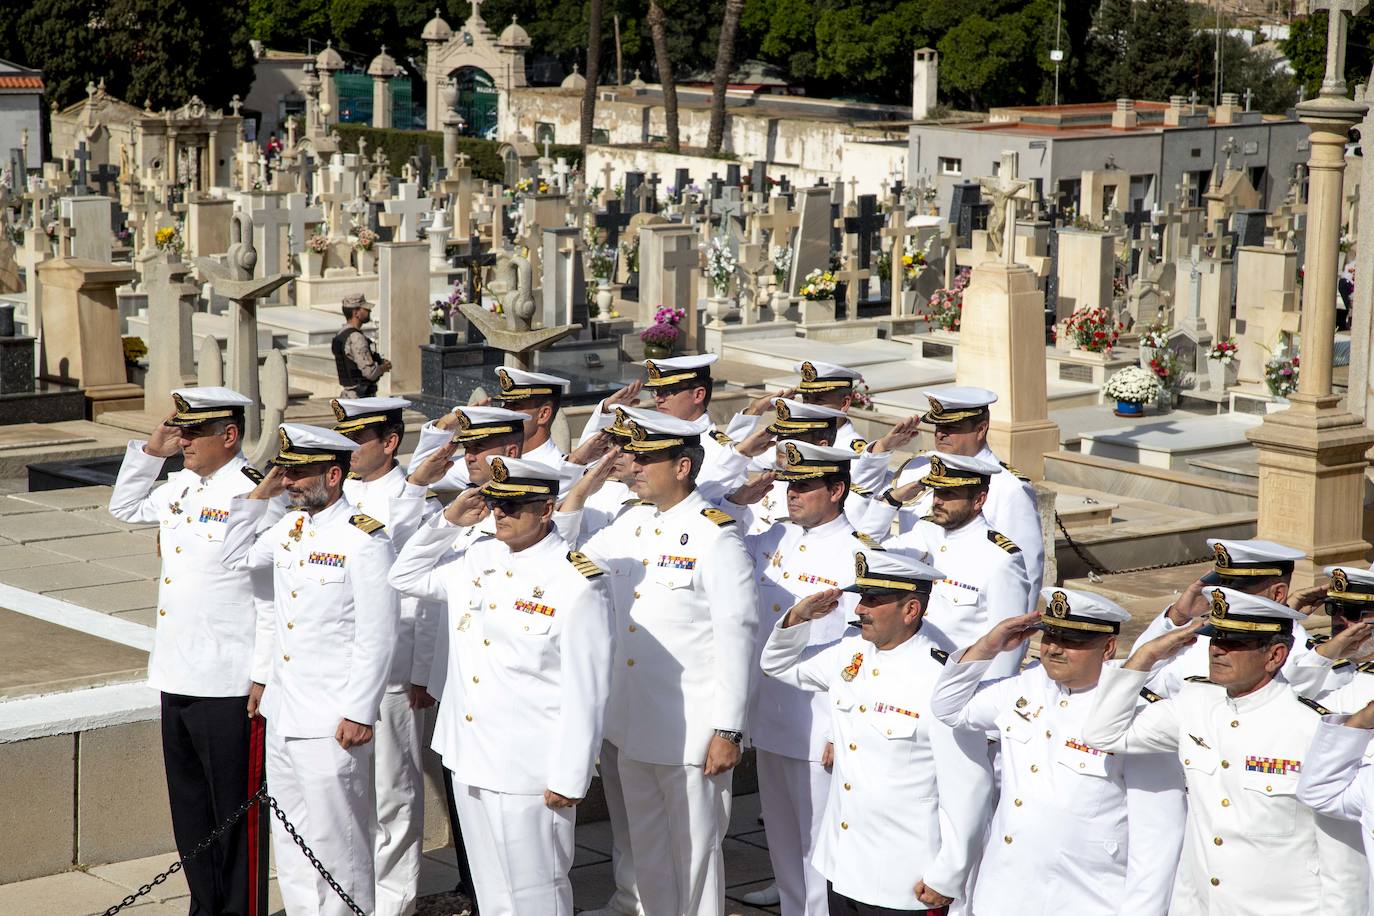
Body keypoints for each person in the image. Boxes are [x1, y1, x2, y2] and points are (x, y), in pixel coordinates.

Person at [388, 456, 614, 916]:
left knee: (536, 895)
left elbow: (587, 690)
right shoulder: (479, 557)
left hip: (528, 768)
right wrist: (448, 521)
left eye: (513, 506)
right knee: (492, 894)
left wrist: (570, 775)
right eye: (495, 504)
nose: (500, 514)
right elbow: (402, 576)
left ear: (546, 509)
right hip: (469, 756)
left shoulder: (576, 581)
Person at [560, 410, 759, 916]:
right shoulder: (631, 524)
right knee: (647, 856)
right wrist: (578, 493)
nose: (634, 467)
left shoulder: (717, 537)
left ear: (682, 467)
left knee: (694, 860)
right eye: (635, 457)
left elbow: (737, 637)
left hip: (691, 731)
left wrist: (729, 730)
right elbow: (565, 566)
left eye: (647, 459)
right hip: (633, 725)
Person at [1081, 586, 1367, 914]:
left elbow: (1344, 867)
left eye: (1234, 643)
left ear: (1274, 656)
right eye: (1216, 638)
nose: (1217, 650)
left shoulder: (1313, 731)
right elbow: (1103, 733)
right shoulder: (1195, 704)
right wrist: (1145, 656)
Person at [108, 387, 281, 916]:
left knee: (234, 814)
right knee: (190, 809)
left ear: (228, 435)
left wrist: (262, 673)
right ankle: (204, 906)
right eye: (180, 432)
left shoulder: (255, 494)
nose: (183, 441)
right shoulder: (181, 486)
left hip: (229, 681)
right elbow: (124, 506)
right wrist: (151, 452)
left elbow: (272, 596)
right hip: (177, 672)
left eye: (194, 433)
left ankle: (238, 911)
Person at [222, 424, 400, 916]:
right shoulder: (289, 528)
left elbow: (378, 634)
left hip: (331, 720)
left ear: (334, 476)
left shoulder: (364, 539)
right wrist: (260, 495)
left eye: (299, 474)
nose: (289, 482)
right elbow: (233, 555)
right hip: (285, 713)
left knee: (339, 843)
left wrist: (360, 711)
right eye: (286, 473)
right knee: (292, 838)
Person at [760, 549, 993, 914]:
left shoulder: (942, 679)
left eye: (872, 600)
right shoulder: (852, 650)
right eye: (861, 597)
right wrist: (798, 617)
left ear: (910, 609)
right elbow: (777, 664)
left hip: (904, 879)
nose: (858, 609)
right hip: (843, 863)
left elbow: (969, 787)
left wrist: (948, 876)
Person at [930, 588, 1184, 916]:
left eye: (1072, 641)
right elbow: (949, 707)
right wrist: (989, 645)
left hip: (1084, 902)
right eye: (1050, 637)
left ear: (1107, 648)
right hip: (1002, 896)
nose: (1054, 649)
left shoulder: (1137, 713)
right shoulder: (1026, 687)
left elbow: (1157, 840)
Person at [736, 441, 863, 915]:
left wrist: (840, 728)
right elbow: (720, 536)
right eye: (791, 485)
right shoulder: (775, 538)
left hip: (818, 723)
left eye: (805, 486)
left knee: (819, 850)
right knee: (784, 845)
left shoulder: (858, 556)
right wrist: (737, 499)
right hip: (770, 716)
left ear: (836, 490)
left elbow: (861, 647)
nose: (792, 494)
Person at [332, 397, 439, 916]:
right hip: (339, 666)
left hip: (394, 669)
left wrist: (421, 671)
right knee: (344, 791)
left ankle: (394, 903)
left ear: (390, 442)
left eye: (358, 439)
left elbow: (422, 594)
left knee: (394, 792)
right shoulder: (337, 493)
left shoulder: (418, 500)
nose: (348, 448)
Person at [860, 386, 1044, 600]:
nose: (940, 433)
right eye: (938, 426)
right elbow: (859, 493)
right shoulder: (918, 468)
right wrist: (881, 449)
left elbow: (1027, 572)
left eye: (951, 427)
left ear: (981, 429)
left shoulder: (1008, 487)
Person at [881, 452, 1032, 678]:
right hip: (909, 674)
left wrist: (984, 696)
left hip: (957, 681)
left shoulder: (1001, 559)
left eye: (949, 493)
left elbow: (1005, 647)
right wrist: (889, 501)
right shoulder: (926, 530)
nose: (937, 501)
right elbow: (869, 555)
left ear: (979, 500)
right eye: (937, 491)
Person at [1130, 538, 1341, 698]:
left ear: (1278, 594)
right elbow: (1140, 682)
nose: (1221, 596)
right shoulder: (1204, 638)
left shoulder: (1305, 658)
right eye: (1220, 586)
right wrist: (1178, 615)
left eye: (1237, 590)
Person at [577, 354, 755, 500]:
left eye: (668, 391)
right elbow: (586, 463)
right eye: (657, 391)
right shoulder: (644, 433)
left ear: (698, 395)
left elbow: (729, 507)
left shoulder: (723, 453)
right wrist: (606, 412)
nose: (658, 398)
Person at [407, 367, 573, 490]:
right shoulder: (485, 457)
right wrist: (444, 425)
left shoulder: (559, 472)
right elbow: (419, 475)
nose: (505, 411)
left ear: (543, 414)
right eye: (504, 405)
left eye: (515, 406)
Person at [334, 293, 391, 397]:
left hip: (348, 395)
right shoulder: (357, 338)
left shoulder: (341, 334)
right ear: (356, 313)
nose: (369, 311)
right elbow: (370, 373)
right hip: (360, 397)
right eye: (365, 309)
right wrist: (384, 367)